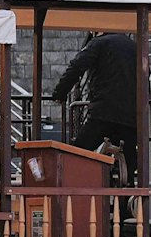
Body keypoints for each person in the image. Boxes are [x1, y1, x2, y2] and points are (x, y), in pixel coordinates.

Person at [51, 32, 138, 180]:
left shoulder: (99, 43)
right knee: (128, 163)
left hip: (104, 112)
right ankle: (125, 200)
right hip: (131, 116)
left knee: (76, 152)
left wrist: (60, 92)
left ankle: (75, 193)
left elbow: (76, 66)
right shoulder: (135, 46)